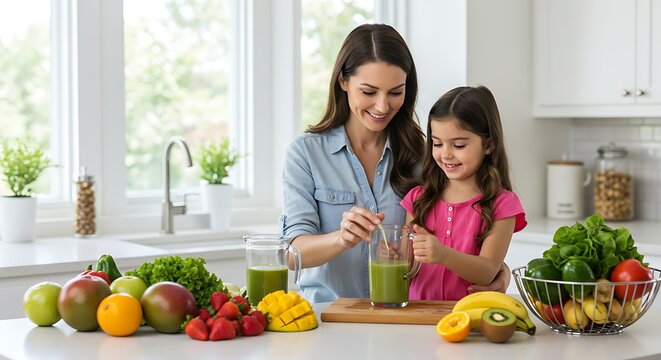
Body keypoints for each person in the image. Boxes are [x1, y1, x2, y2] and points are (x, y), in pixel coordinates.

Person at [281, 24, 511, 303]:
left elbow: (465, 227)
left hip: (400, 319)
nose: (382, 106)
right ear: (343, 81)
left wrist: (498, 270)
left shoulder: (425, 155)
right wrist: (341, 238)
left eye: (395, 92)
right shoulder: (306, 154)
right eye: (368, 91)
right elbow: (292, 255)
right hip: (328, 318)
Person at [401, 85, 527, 301]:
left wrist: (443, 254)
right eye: (437, 143)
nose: (446, 154)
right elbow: (404, 262)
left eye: (458, 145)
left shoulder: (502, 205)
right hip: (417, 318)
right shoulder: (418, 199)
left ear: (489, 145)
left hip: (470, 319)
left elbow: (488, 270)